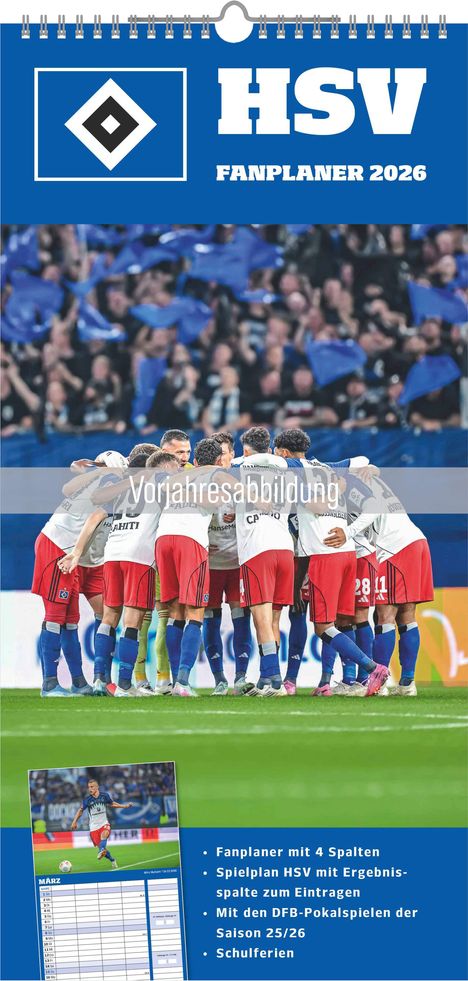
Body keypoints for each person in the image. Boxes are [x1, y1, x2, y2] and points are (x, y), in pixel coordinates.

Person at [325, 473, 434, 696]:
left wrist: (348, 531)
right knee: (406, 616)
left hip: (396, 548)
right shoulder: (366, 477)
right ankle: (406, 683)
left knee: (385, 615)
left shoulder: (353, 485)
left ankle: (376, 683)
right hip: (415, 541)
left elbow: (373, 508)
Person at [31, 451, 126, 697]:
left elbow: (67, 488)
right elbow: (95, 513)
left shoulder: (100, 481)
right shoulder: (110, 485)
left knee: (71, 619)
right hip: (60, 547)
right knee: (56, 616)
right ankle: (49, 683)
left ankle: (80, 682)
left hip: (79, 554)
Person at [88, 448, 179, 696]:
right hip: (139, 557)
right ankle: (125, 685)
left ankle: (99, 679)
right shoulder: (159, 486)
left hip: (112, 553)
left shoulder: (121, 490)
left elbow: (97, 498)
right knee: (133, 620)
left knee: (109, 618)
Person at [155, 438, 226, 696]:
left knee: (175, 611)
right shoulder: (217, 474)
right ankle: (183, 683)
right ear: (218, 461)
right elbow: (214, 503)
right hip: (190, 540)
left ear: (195, 460)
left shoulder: (175, 478)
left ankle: (176, 681)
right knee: (195, 610)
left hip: (163, 538)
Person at [203, 431, 253, 695]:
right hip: (209, 565)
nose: (219, 458)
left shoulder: (243, 478)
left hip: (236, 564)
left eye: (223, 453)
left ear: (233, 454)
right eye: (215, 454)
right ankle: (219, 679)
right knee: (210, 619)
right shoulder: (200, 480)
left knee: (240, 618)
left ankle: (241, 677)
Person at [70, 777, 134, 870]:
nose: (90, 789)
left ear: (97, 787)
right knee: (103, 850)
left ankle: (101, 851)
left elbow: (112, 804)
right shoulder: (87, 800)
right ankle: (112, 859)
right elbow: (80, 811)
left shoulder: (105, 796)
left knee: (104, 834)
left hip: (104, 824)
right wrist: (74, 822)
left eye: (92, 787)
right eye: (89, 787)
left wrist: (125, 806)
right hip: (93, 828)